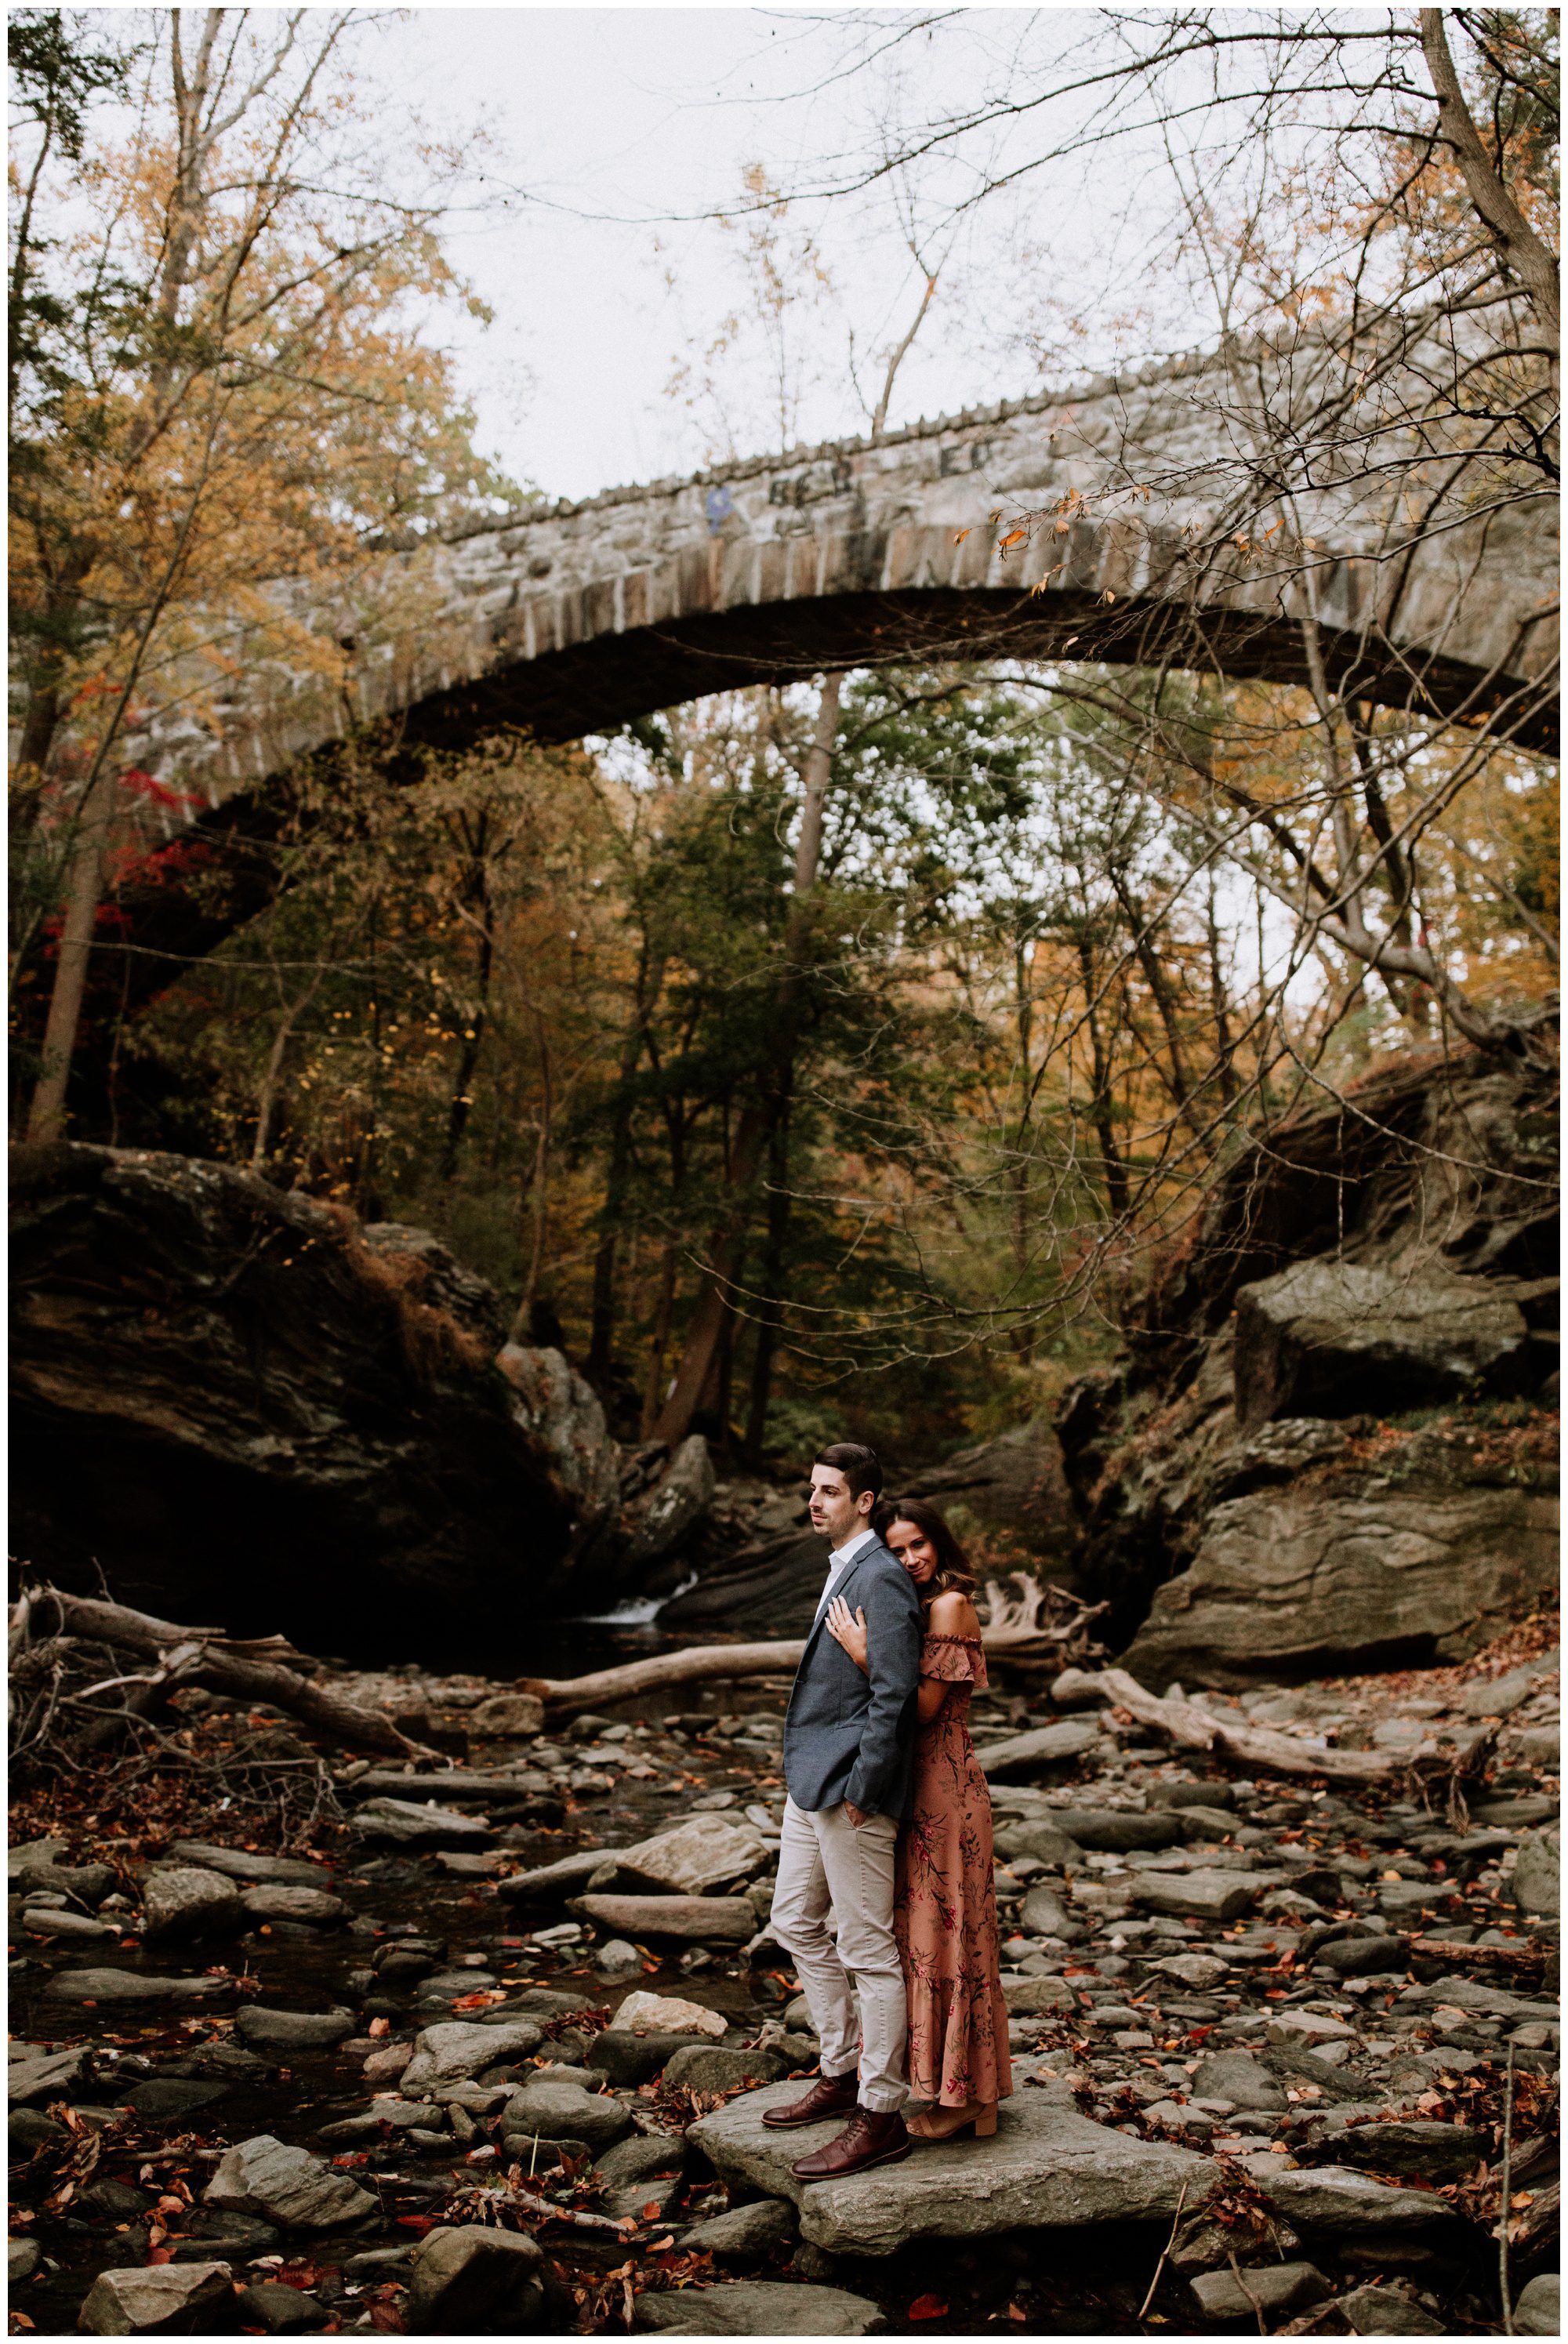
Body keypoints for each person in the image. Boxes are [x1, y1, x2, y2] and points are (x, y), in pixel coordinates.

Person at [826, 1495, 1011, 2143]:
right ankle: (974, 2095)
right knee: (936, 1937)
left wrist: (862, 1652)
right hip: (924, 1788)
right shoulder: (921, 1603)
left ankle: (962, 2097)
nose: (908, 1559)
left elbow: (927, 1707)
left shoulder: (950, 1604)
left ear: (940, 1542)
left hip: (946, 1790)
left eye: (918, 1545)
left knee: (950, 1939)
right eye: (897, 1549)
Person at [765, 1442, 924, 2179]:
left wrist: (865, 1788)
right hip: (811, 1782)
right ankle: (840, 2072)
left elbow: (894, 1694)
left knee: (867, 1949)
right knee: (793, 1920)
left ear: (865, 1501)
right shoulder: (842, 1567)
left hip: (852, 1790)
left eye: (830, 1491)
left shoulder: (882, 1577)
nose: (816, 1500)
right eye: (812, 1489)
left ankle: (881, 2113)